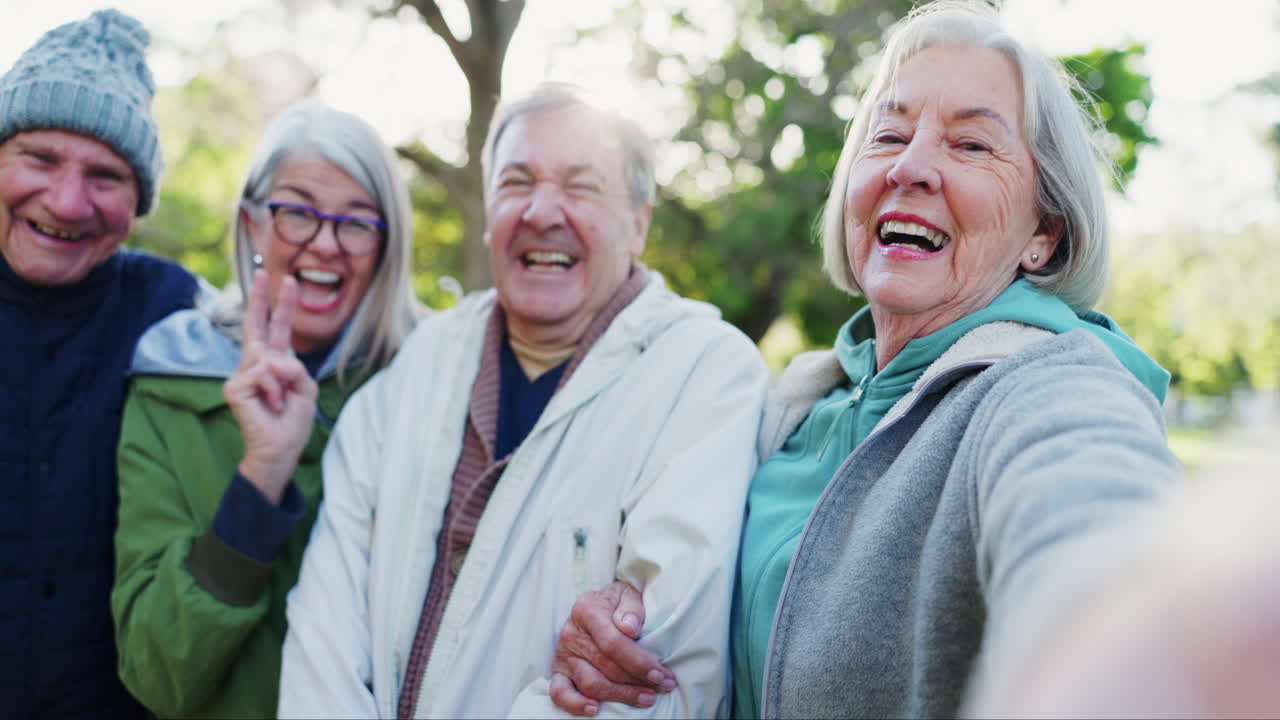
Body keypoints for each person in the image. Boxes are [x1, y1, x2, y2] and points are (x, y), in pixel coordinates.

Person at [546, 2, 1182, 717]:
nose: (911, 167)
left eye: (971, 145)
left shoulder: (1051, 389)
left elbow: (1095, 527)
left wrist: (1132, 628)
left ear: (1044, 234)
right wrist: (618, 622)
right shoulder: (790, 410)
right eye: (889, 134)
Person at [277, 82, 769, 718]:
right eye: (516, 182)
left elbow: (659, 681)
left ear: (639, 222)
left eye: (581, 186)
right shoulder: (414, 370)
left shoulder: (706, 376)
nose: (542, 211)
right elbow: (325, 637)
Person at [110, 101, 423, 719]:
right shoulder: (173, 383)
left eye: (357, 223)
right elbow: (156, 675)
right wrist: (263, 473)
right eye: (297, 213)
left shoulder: (432, 382)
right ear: (252, 224)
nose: (326, 244)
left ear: (388, 246)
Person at [0, 10, 200, 717]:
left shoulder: (177, 317)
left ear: (138, 200)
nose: (66, 201)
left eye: (106, 175)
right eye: (40, 158)